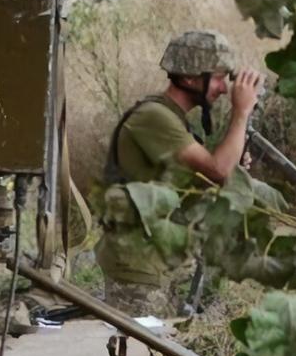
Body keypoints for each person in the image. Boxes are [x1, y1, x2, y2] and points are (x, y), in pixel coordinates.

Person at [94, 29, 263, 316]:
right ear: (189, 78)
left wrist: (234, 160)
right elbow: (219, 171)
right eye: (218, 78)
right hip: (139, 266)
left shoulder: (175, 120)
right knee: (138, 345)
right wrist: (241, 113)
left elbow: (210, 179)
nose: (224, 89)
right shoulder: (154, 117)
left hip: (156, 263)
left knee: (157, 342)